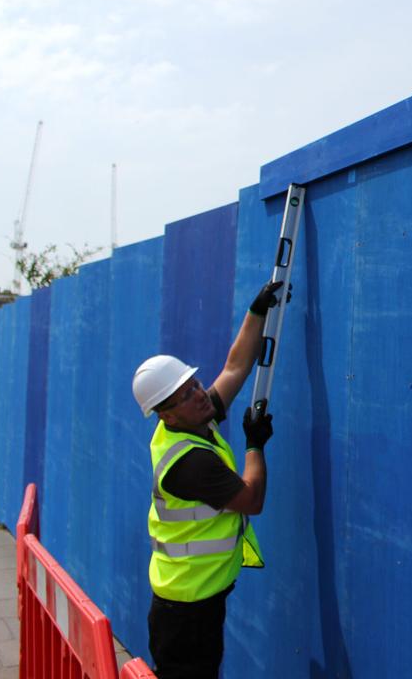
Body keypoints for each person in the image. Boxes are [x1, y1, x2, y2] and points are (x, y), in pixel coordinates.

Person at [132, 280, 284, 679]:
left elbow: (235, 368)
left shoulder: (192, 422)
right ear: (166, 414)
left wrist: (255, 313)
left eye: (194, 385)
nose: (199, 394)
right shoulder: (189, 463)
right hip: (187, 607)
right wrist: (255, 446)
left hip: (191, 596)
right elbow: (252, 500)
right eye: (184, 396)